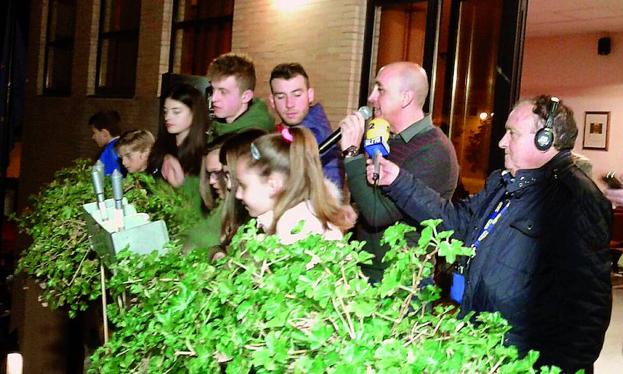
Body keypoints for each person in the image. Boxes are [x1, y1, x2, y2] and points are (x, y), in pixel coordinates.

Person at [370, 95, 612, 372]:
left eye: (512, 133)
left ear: (545, 140)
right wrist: (397, 180)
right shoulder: (503, 183)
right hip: (482, 347)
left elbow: (587, 309)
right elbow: (456, 222)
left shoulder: (576, 199)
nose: (501, 142)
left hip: (523, 361)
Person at [339, 62, 459, 282]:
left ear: (405, 98)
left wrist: (352, 154)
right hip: (367, 270)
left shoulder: (434, 150)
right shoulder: (385, 139)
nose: (372, 97)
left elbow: (378, 213)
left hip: (401, 281)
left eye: (380, 89)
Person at [235, 127, 355, 244]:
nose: (238, 194)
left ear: (272, 185)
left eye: (243, 185)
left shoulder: (295, 231)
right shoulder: (288, 220)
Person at [269, 63, 343, 188]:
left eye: (297, 95)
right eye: (281, 97)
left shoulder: (323, 141)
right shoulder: (273, 133)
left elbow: (330, 194)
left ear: (310, 95)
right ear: (272, 101)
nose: (289, 104)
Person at [147, 83, 209, 188]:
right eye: (165, 111)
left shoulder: (205, 152)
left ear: (195, 113)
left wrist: (180, 185)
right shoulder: (161, 146)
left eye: (176, 112)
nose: (167, 117)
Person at [207, 53, 275, 138]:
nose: (213, 99)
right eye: (213, 90)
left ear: (246, 97)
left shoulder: (254, 140)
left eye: (223, 92)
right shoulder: (213, 126)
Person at [89, 110, 123, 175]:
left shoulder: (109, 153)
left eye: (94, 132)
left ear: (104, 133)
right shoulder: (124, 145)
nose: (93, 137)